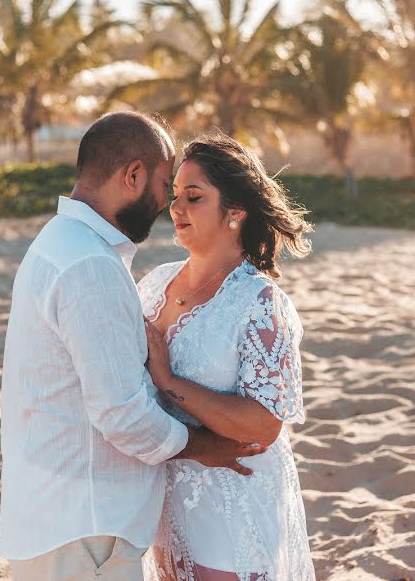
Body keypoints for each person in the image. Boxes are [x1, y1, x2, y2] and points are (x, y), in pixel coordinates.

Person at [0, 112, 265, 581]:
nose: (167, 203)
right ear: (133, 175)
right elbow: (121, 413)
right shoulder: (90, 265)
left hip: (61, 521)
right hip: (85, 533)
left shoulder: (58, 243)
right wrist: (204, 446)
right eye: (165, 185)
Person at [137, 134, 315, 580]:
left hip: (230, 503)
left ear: (235, 213)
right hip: (162, 494)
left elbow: (262, 426)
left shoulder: (259, 303)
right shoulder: (154, 284)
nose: (176, 208)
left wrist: (168, 381)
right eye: (175, 195)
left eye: (194, 197)